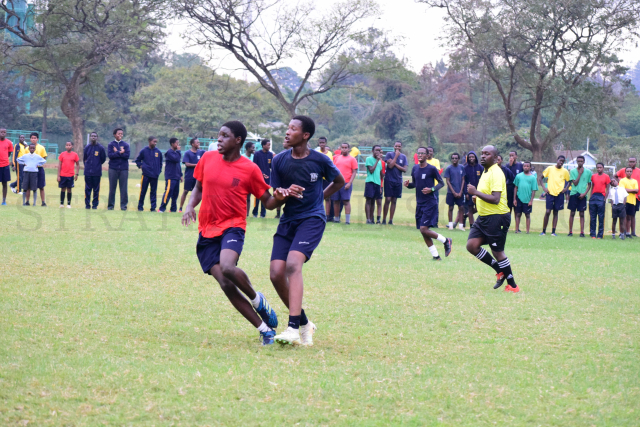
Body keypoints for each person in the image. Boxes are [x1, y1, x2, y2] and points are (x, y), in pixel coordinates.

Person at [181, 121, 287, 346]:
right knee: (226, 283)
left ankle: (258, 300)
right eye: (218, 135)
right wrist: (190, 206)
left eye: (225, 135)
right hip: (207, 230)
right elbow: (198, 187)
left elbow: (267, 202)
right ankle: (265, 330)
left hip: (233, 226)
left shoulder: (249, 168)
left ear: (238, 140)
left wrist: (279, 198)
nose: (218, 139)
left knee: (228, 267)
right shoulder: (207, 159)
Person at [269, 115, 345, 346]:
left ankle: (292, 328)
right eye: (287, 127)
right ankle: (304, 324)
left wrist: (319, 197)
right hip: (288, 220)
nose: (287, 132)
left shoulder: (320, 160)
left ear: (305, 135)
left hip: (312, 219)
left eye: (292, 129)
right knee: (276, 273)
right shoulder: (279, 160)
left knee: (293, 265)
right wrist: (282, 194)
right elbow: (274, 198)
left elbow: (339, 181)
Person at [466, 145, 519, 292]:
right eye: (482, 153)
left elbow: (496, 199)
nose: (483, 156)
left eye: (487, 154)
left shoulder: (496, 173)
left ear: (495, 158)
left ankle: (513, 286)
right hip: (484, 217)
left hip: (497, 217)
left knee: (497, 252)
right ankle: (499, 270)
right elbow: (487, 193)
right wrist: (478, 197)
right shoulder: (486, 171)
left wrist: (475, 192)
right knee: (472, 246)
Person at [404, 147, 452, 260]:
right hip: (419, 203)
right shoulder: (415, 168)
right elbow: (415, 184)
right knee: (423, 231)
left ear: (427, 155)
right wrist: (408, 185)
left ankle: (446, 241)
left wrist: (432, 189)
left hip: (430, 202)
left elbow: (441, 183)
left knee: (424, 229)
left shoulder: (432, 169)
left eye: (422, 153)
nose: (420, 155)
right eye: (418, 153)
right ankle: (436, 256)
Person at [539, 156, 570, 236]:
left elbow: (570, 181)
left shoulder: (565, 171)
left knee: (555, 212)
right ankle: (543, 231)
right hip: (550, 193)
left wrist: (565, 188)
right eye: (560, 160)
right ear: (557, 160)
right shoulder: (550, 168)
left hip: (559, 194)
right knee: (548, 212)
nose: (561, 162)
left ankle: (553, 232)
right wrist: (544, 188)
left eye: (563, 161)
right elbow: (540, 178)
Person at [331, 142, 358, 224]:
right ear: (340, 148)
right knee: (336, 201)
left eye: (346, 147)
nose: (344, 149)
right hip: (336, 183)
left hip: (346, 183)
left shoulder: (352, 159)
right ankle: (336, 219)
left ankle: (347, 221)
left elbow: (354, 172)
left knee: (346, 201)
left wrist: (349, 183)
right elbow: (334, 170)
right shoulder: (337, 158)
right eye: (343, 147)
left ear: (349, 149)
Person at [135, 136, 163, 212]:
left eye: (156, 142)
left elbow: (160, 163)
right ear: (149, 141)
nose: (155, 143)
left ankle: (153, 208)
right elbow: (137, 160)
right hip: (146, 175)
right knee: (143, 191)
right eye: (154, 141)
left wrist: (158, 171)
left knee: (153, 192)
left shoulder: (158, 152)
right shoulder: (144, 150)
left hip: (154, 175)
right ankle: (140, 207)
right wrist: (142, 166)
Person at [382, 141, 407, 225]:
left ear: (401, 147)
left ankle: (390, 220)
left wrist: (395, 163)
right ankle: (384, 219)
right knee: (388, 199)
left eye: (399, 146)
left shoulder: (403, 157)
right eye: (396, 146)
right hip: (389, 180)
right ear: (394, 146)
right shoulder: (389, 154)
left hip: (398, 181)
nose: (397, 148)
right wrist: (396, 156)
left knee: (394, 200)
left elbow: (404, 169)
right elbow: (390, 166)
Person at [567, 156, 592, 237]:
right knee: (572, 213)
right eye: (578, 161)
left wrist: (584, 194)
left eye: (581, 161)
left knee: (582, 214)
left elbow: (589, 185)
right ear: (576, 162)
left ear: (584, 162)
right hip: (574, 194)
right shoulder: (572, 171)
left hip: (582, 195)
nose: (580, 162)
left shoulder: (588, 172)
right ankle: (570, 231)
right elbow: (575, 183)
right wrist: (580, 174)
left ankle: (582, 232)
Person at [179, 138, 205, 212]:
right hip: (189, 176)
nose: (199, 143)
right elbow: (187, 164)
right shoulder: (187, 153)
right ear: (193, 144)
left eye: (199, 142)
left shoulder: (201, 152)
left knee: (200, 192)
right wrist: (198, 165)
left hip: (198, 176)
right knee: (186, 191)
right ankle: (180, 208)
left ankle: (198, 208)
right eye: (197, 142)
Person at [107, 128, 130, 211]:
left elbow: (127, 156)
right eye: (118, 133)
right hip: (113, 169)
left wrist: (116, 152)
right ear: (114, 134)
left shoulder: (126, 145)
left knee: (124, 189)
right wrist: (120, 152)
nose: (120, 135)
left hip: (124, 169)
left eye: (121, 134)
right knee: (112, 188)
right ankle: (110, 206)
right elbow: (110, 156)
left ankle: (123, 206)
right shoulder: (111, 144)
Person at [616, 157, 640, 237]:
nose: (631, 163)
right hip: (624, 200)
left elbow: (637, 189)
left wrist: (636, 191)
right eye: (630, 161)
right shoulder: (623, 171)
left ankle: (632, 232)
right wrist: (619, 182)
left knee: (632, 215)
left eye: (633, 161)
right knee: (623, 216)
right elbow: (615, 176)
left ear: (636, 162)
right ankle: (623, 232)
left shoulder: (638, 172)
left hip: (635, 198)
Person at [513, 161, 538, 234]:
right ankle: (517, 230)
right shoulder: (518, 176)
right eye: (524, 166)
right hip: (519, 198)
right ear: (522, 167)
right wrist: (514, 199)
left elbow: (533, 190)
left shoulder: (533, 178)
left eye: (527, 166)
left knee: (527, 215)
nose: (526, 167)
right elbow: (515, 187)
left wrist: (531, 201)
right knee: (518, 214)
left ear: (530, 167)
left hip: (527, 199)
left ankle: (527, 231)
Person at [158, 138, 183, 213]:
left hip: (176, 176)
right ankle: (161, 208)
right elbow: (176, 159)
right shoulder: (169, 152)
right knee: (168, 192)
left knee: (175, 194)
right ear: (172, 144)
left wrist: (180, 175)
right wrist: (179, 151)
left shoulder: (176, 153)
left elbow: (178, 164)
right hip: (171, 176)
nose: (178, 145)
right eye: (177, 143)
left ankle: (173, 209)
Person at [83, 132, 107, 210]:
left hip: (97, 172)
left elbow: (103, 159)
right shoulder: (87, 147)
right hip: (88, 172)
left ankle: (95, 205)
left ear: (97, 137)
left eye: (95, 136)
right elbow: (84, 158)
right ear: (90, 137)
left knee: (96, 189)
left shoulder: (100, 148)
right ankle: (87, 204)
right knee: (87, 189)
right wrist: (87, 166)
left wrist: (97, 165)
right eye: (92, 136)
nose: (93, 137)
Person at [443, 152, 465, 230]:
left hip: (460, 192)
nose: (454, 159)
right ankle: (450, 225)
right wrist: (454, 192)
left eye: (456, 158)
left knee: (461, 208)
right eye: (453, 158)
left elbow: (463, 180)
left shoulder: (462, 167)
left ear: (458, 159)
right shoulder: (449, 168)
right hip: (451, 192)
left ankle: (461, 226)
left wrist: (461, 191)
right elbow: (447, 181)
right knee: (451, 208)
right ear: (451, 159)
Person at [589, 163, 610, 239]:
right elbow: (592, 187)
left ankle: (600, 235)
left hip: (601, 197)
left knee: (601, 217)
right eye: (598, 167)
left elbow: (608, 189)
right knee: (592, 217)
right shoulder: (593, 176)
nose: (599, 169)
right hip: (593, 197)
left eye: (600, 167)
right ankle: (593, 234)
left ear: (603, 168)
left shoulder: (606, 177)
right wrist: (591, 197)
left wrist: (605, 198)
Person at [315, 137, 334, 220]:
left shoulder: (329, 153)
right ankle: (318, 213)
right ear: (318, 144)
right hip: (318, 178)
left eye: (323, 143)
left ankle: (327, 215)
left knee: (327, 197)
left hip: (327, 178)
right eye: (320, 143)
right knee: (318, 196)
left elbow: (331, 165)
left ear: (326, 143)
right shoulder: (316, 153)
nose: (322, 144)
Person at [364, 145, 384, 224]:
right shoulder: (369, 159)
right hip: (370, 182)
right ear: (372, 151)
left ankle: (371, 219)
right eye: (376, 150)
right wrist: (377, 161)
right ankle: (368, 219)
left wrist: (380, 186)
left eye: (379, 150)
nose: (378, 152)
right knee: (368, 201)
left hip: (377, 183)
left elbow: (380, 174)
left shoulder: (380, 162)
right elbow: (371, 170)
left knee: (373, 201)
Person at [57, 141, 80, 208]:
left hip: (70, 175)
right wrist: (58, 175)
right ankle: (61, 204)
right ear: (65, 146)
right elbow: (59, 165)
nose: (68, 146)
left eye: (69, 145)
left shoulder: (75, 155)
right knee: (63, 189)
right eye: (67, 145)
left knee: (69, 189)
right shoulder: (62, 154)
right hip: (63, 175)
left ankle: (69, 204)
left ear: (72, 146)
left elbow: (78, 165)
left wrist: (77, 174)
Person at [463, 151, 483, 226]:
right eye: (470, 157)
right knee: (470, 208)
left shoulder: (480, 167)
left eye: (473, 157)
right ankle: (472, 225)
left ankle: (466, 215)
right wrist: (466, 192)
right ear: (468, 158)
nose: (471, 158)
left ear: (475, 158)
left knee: (479, 208)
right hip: (469, 191)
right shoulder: (465, 168)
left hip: (479, 191)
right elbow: (464, 181)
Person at [30, 133, 48, 206]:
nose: (33, 139)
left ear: (37, 139)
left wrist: (39, 164)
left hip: (39, 169)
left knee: (41, 186)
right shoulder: (27, 148)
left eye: (35, 138)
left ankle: (43, 202)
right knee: (30, 187)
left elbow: (44, 158)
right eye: (32, 138)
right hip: (31, 170)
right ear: (30, 139)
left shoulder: (41, 148)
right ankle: (29, 202)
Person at [426, 147, 442, 227]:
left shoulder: (436, 161)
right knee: (425, 205)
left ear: (433, 152)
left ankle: (435, 223)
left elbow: (436, 172)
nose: (429, 152)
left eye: (431, 151)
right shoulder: (422, 161)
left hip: (434, 188)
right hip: (424, 187)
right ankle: (425, 222)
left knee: (435, 205)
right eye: (428, 151)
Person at [0, 128, 14, 205]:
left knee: (4, 183)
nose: (3, 133)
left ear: (6, 133)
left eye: (4, 132)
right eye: (1, 132)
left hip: (5, 166)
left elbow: (9, 153)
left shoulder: (9, 142)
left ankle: (4, 201)